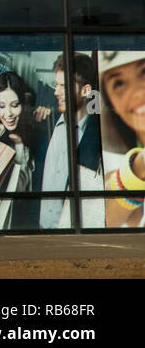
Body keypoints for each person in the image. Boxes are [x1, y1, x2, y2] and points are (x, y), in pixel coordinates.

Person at [39, 53, 102, 228]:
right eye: (56, 85)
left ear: (85, 90)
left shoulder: (96, 136)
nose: (56, 92)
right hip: (43, 234)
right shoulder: (50, 125)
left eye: (63, 86)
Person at [99, 49, 145, 227]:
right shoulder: (110, 168)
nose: (137, 93)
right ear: (111, 103)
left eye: (144, 72)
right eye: (118, 83)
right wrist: (138, 168)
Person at [0, 71, 37, 229]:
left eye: (14, 105)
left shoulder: (26, 135)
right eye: (1, 106)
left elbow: (23, 189)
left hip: (17, 219)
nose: (8, 113)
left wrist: (20, 145)